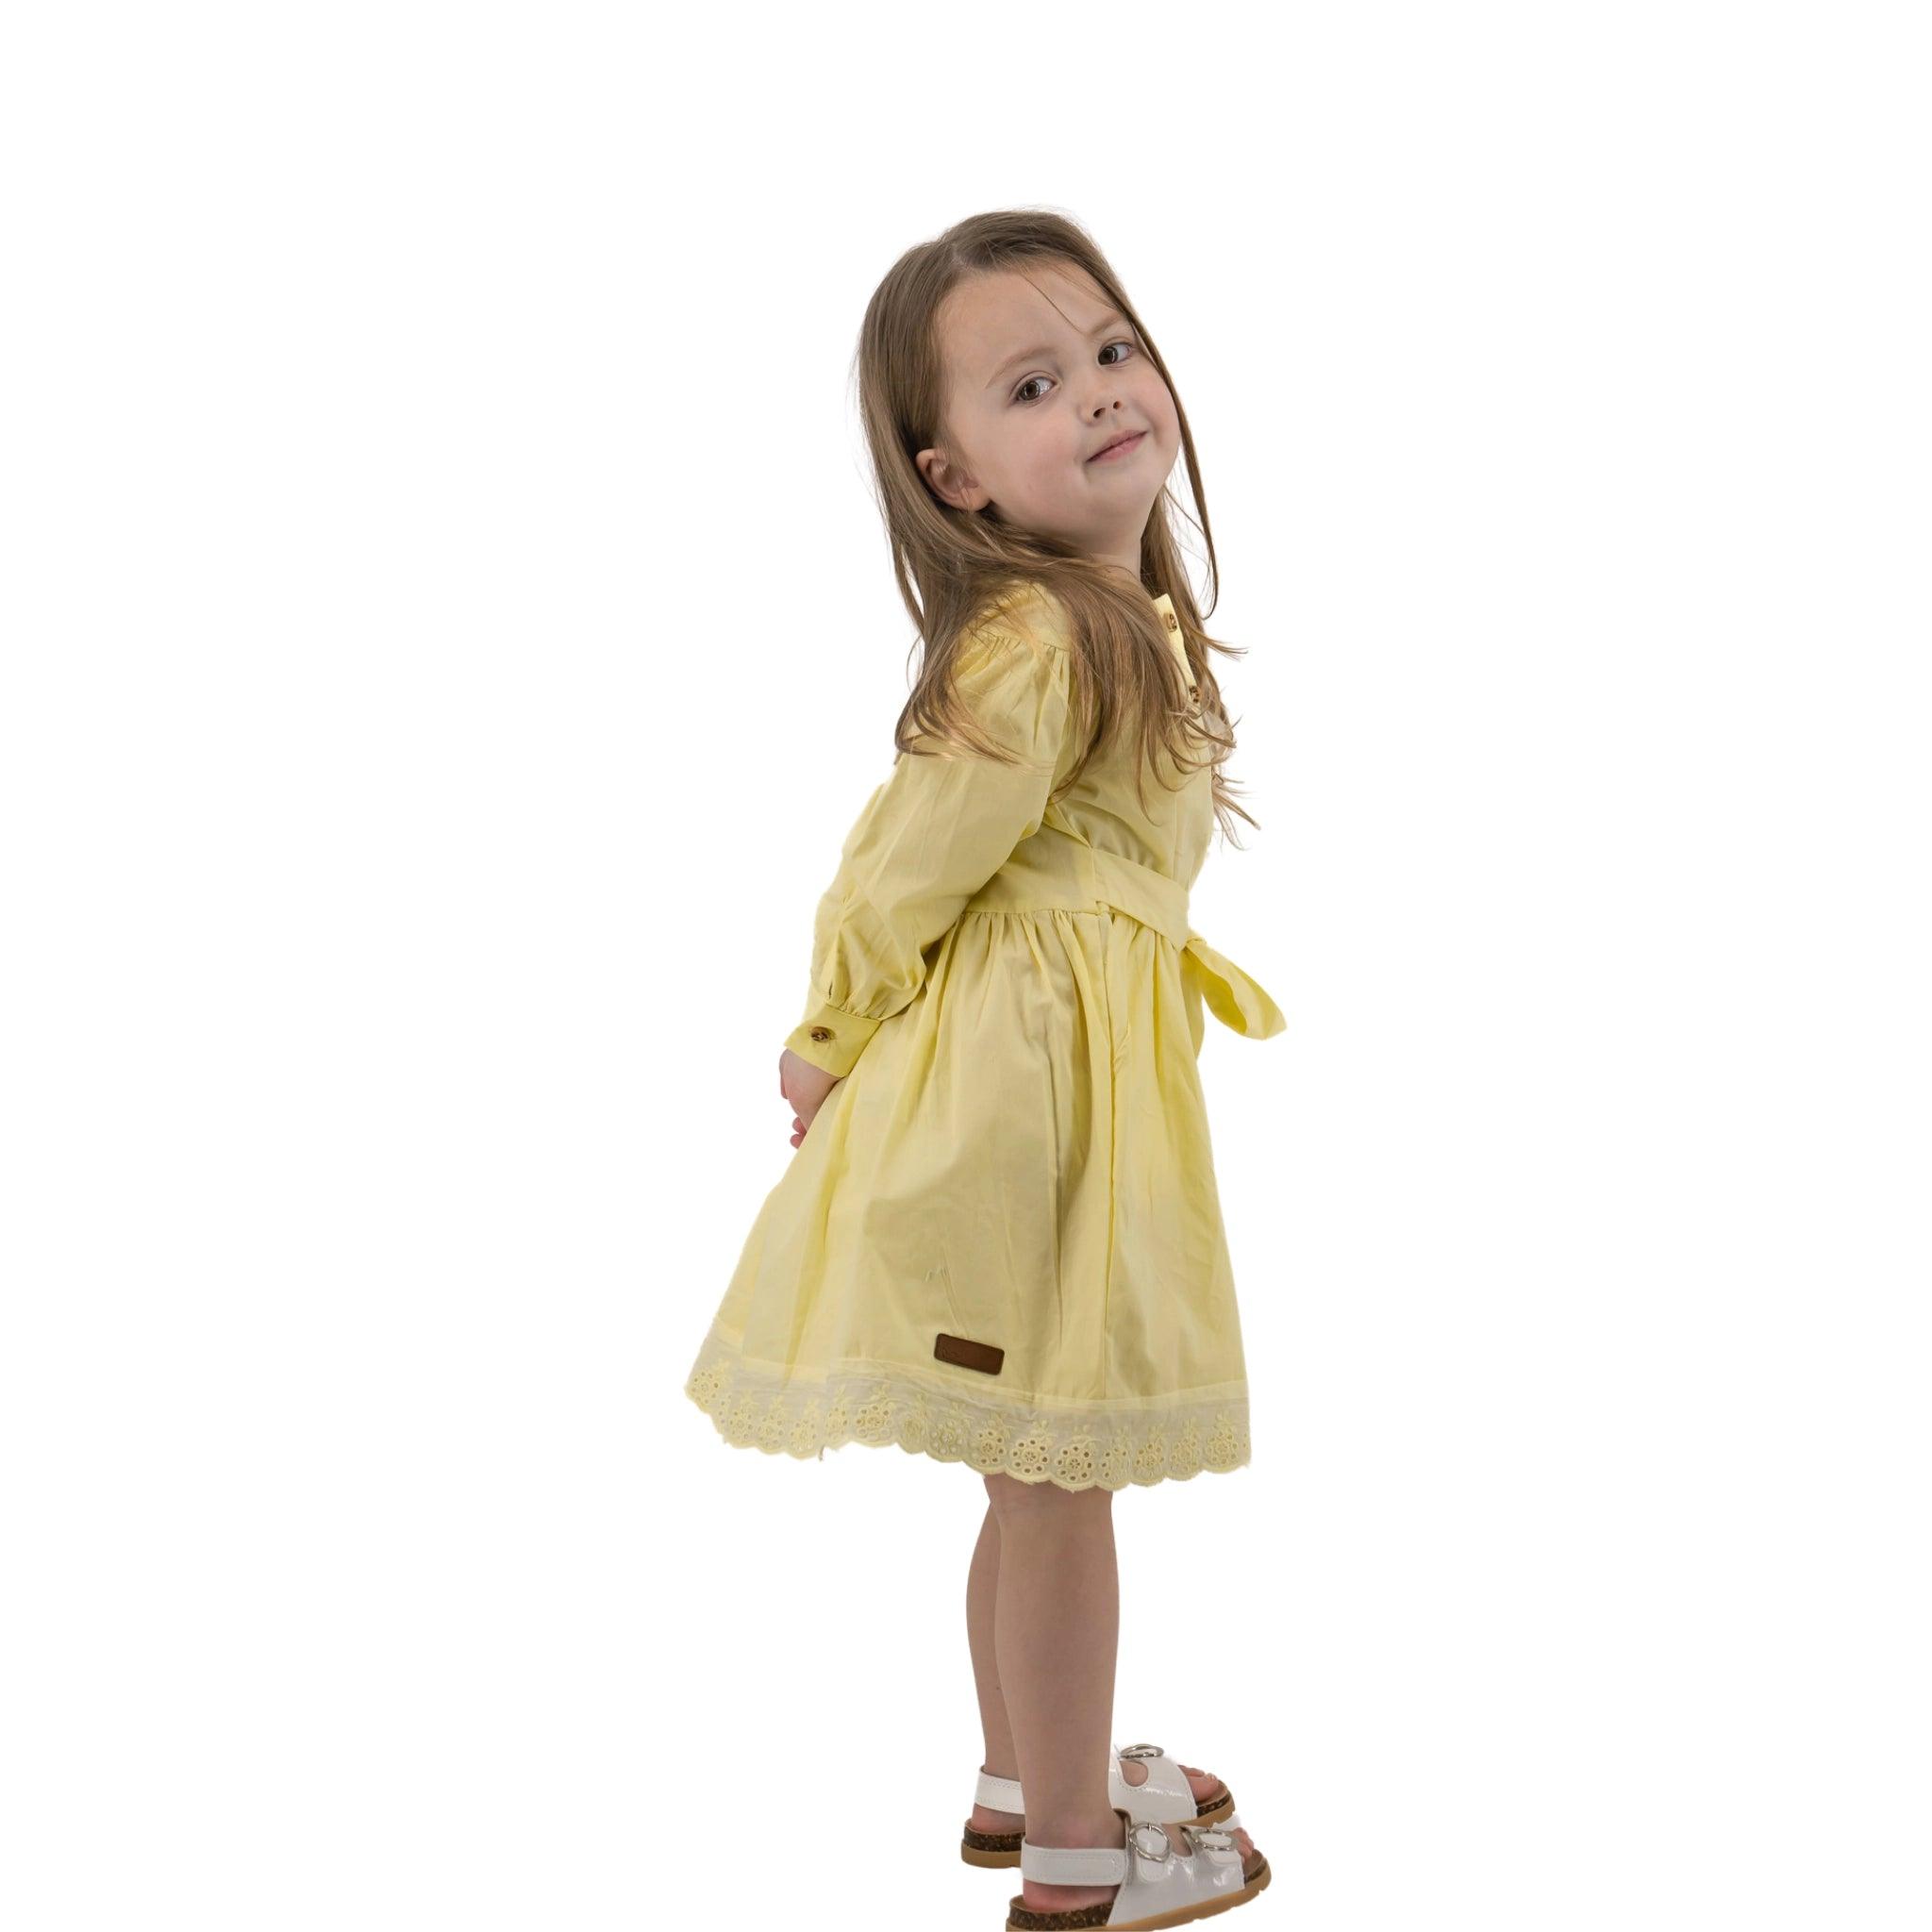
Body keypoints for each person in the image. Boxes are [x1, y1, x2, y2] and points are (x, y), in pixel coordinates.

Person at [682, 209, 1286, 1930]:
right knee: (1059, 1474)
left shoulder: (1116, 622)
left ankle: (1029, 1778)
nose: (1098, 392)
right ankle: (1090, 1859)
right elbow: (907, 855)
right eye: (1035, 383)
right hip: (1011, 1100)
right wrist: (829, 1030)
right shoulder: (1036, 643)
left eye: (1109, 350)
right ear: (959, 480)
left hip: (1067, 1083)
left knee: (1032, 1470)